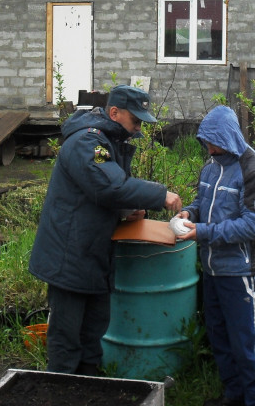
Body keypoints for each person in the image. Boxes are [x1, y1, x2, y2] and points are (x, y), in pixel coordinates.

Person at [28, 84, 183, 375]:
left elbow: (98, 193)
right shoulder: (89, 143)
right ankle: (60, 389)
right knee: (67, 337)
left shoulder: (108, 142)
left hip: (92, 253)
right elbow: (108, 186)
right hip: (69, 256)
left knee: (92, 334)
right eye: (135, 121)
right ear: (114, 113)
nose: (138, 129)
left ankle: (89, 387)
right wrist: (160, 195)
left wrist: (126, 210)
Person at [174, 105, 255, 406]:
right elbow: (201, 203)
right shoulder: (211, 167)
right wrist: (189, 213)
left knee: (249, 344)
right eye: (205, 141)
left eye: (212, 141)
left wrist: (201, 232)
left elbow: (253, 225)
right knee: (220, 338)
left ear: (227, 137)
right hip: (213, 270)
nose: (208, 147)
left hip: (242, 273)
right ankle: (234, 396)